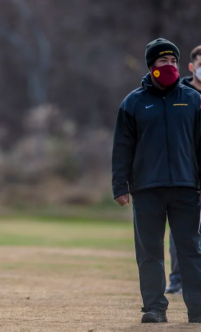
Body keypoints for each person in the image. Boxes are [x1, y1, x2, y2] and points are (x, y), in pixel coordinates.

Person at [112, 38, 201, 324]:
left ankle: (197, 309)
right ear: (152, 67)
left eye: (173, 61)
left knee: (191, 251)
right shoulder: (133, 102)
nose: (170, 66)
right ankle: (154, 308)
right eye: (164, 62)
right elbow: (122, 148)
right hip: (147, 189)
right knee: (150, 252)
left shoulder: (194, 100)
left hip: (187, 188)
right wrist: (120, 186)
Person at [166, 45, 201, 295]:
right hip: (186, 171)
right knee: (182, 229)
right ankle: (177, 279)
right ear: (192, 66)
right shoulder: (181, 94)